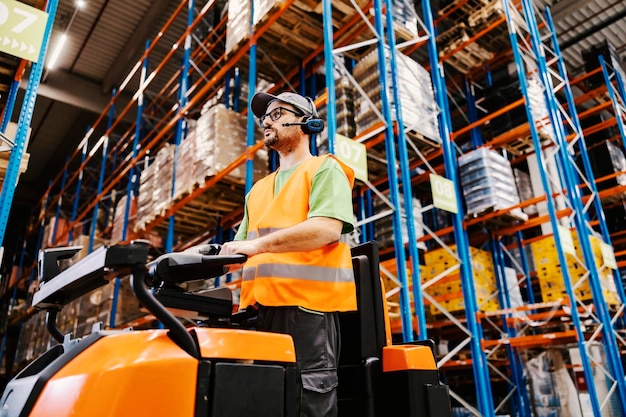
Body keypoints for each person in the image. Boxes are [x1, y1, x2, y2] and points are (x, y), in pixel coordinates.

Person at [219, 91, 357, 416]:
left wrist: (258, 246)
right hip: (258, 312)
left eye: (278, 113)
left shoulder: (325, 170)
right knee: (265, 402)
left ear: (308, 123)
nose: (267, 120)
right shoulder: (257, 191)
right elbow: (238, 249)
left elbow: (326, 228)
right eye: (265, 116)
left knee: (306, 403)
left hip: (307, 313)